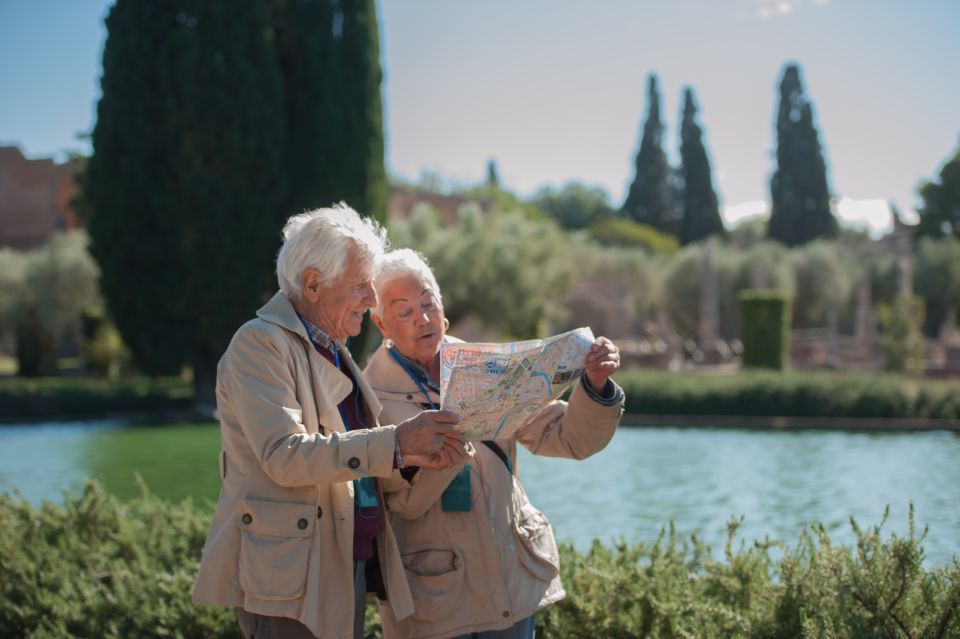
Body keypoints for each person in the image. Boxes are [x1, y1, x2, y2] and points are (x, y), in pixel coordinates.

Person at [192, 206, 467, 639]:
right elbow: (285, 456)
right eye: (362, 286)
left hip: (341, 566)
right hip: (290, 582)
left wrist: (414, 456)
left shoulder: (333, 346)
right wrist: (395, 443)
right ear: (314, 284)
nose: (372, 300)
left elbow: (349, 458)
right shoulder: (259, 344)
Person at [364, 248, 625, 639]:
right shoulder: (367, 398)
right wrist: (443, 452)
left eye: (428, 303)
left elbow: (569, 439)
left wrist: (596, 385)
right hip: (433, 605)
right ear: (380, 323)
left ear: (443, 308)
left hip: (512, 591)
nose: (422, 318)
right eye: (403, 311)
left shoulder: (487, 368)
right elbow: (394, 502)